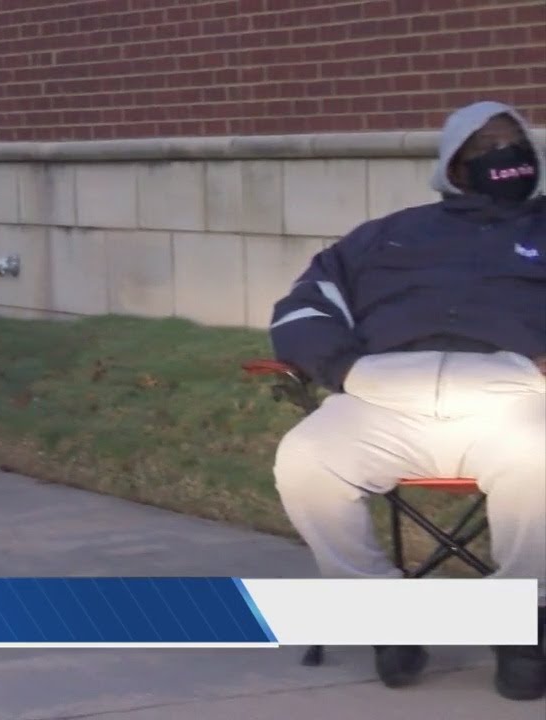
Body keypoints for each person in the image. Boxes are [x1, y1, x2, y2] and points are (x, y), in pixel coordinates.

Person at [270, 101, 545, 700]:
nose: (505, 154)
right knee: (306, 459)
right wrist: (339, 367)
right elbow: (304, 306)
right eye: (485, 146)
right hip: (382, 391)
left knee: (542, 458)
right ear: (453, 164)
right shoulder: (386, 234)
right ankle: (385, 615)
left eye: (513, 141)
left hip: (514, 391)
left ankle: (523, 625)